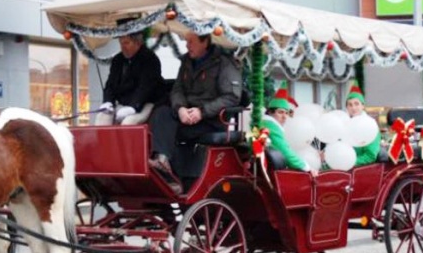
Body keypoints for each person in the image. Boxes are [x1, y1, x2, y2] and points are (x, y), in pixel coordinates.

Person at [148, 32, 242, 192]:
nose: (187, 45)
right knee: (161, 113)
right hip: (187, 116)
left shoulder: (224, 63)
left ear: (205, 42)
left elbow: (232, 96)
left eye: (191, 41)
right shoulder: (186, 61)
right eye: (186, 41)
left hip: (211, 121)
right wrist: (181, 109)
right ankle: (163, 162)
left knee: (168, 126)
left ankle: (169, 171)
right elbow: (177, 90)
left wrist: (202, 112)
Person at [96, 32, 164, 125]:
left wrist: (133, 107)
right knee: (102, 118)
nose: (123, 47)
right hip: (122, 103)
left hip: (145, 103)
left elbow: (145, 88)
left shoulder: (150, 59)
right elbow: (110, 84)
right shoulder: (118, 60)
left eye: (127, 43)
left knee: (128, 123)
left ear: (138, 42)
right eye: (121, 43)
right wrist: (108, 102)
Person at [261, 89, 319, 176]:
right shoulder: (270, 126)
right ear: (270, 112)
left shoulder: (267, 124)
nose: (284, 117)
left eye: (286, 113)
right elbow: (285, 151)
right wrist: (306, 167)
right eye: (280, 112)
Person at [345, 84, 381, 166]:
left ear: (363, 105)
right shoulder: (345, 124)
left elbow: (370, 155)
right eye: (350, 105)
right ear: (347, 107)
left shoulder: (369, 126)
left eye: (356, 104)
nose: (353, 108)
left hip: (360, 168)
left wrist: (350, 163)